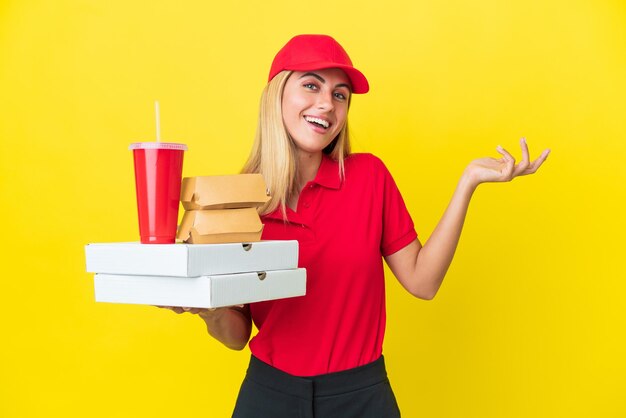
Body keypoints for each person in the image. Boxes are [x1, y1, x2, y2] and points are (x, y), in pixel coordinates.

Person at [163, 34, 550, 417]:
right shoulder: (240, 202)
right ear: (277, 95)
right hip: (269, 394)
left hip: (360, 396)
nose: (326, 105)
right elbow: (237, 335)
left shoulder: (369, 178)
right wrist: (207, 309)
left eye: (339, 94)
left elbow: (423, 282)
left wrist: (467, 182)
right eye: (311, 85)